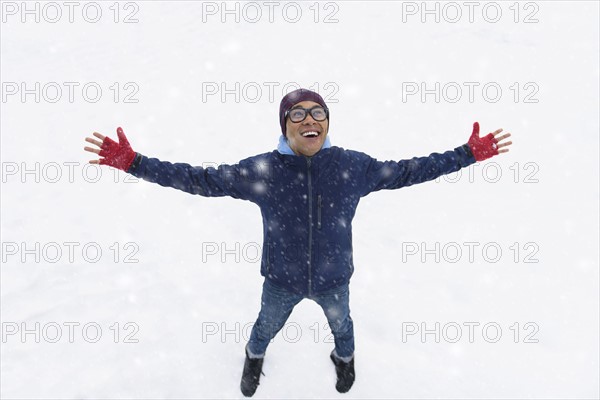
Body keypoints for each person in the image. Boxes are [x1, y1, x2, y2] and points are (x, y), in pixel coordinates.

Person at [84, 88, 512, 397]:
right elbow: (200, 179)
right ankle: (254, 358)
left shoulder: (352, 167)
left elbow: (409, 170)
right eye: (297, 114)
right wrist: (136, 164)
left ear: (327, 124)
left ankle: (344, 360)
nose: (310, 120)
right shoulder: (264, 171)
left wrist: (466, 154)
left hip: (333, 280)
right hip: (282, 280)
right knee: (264, 327)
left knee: (343, 326)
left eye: (318, 113)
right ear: (285, 126)